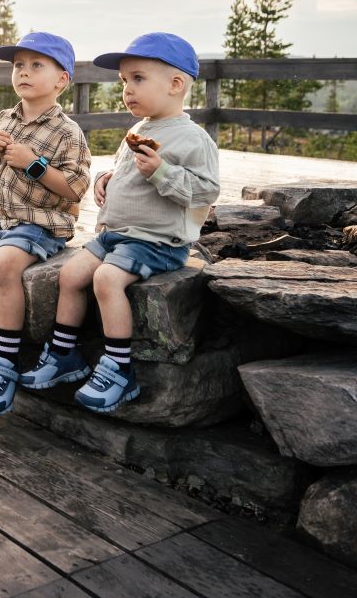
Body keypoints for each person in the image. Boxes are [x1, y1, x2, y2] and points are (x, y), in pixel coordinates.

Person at [19, 32, 220, 412]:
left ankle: (119, 368)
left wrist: (163, 173)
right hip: (117, 235)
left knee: (106, 280)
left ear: (176, 85)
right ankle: (64, 355)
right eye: (124, 81)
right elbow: (125, 170)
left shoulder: (194, 139)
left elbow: (205, 192)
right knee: (71, 274)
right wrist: (105, 180)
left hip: (158, 241)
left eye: (138, 79)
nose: (127, 89)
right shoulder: (141, 129)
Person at [0, 32, 91, 416]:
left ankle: (6, 361)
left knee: (4, 265)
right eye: (18, 66)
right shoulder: (3, 120)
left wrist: (34, 163)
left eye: (36, 65)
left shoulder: (67, 132)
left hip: (36, 222)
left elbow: (75, 189)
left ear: (62, 80)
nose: (23, 72)